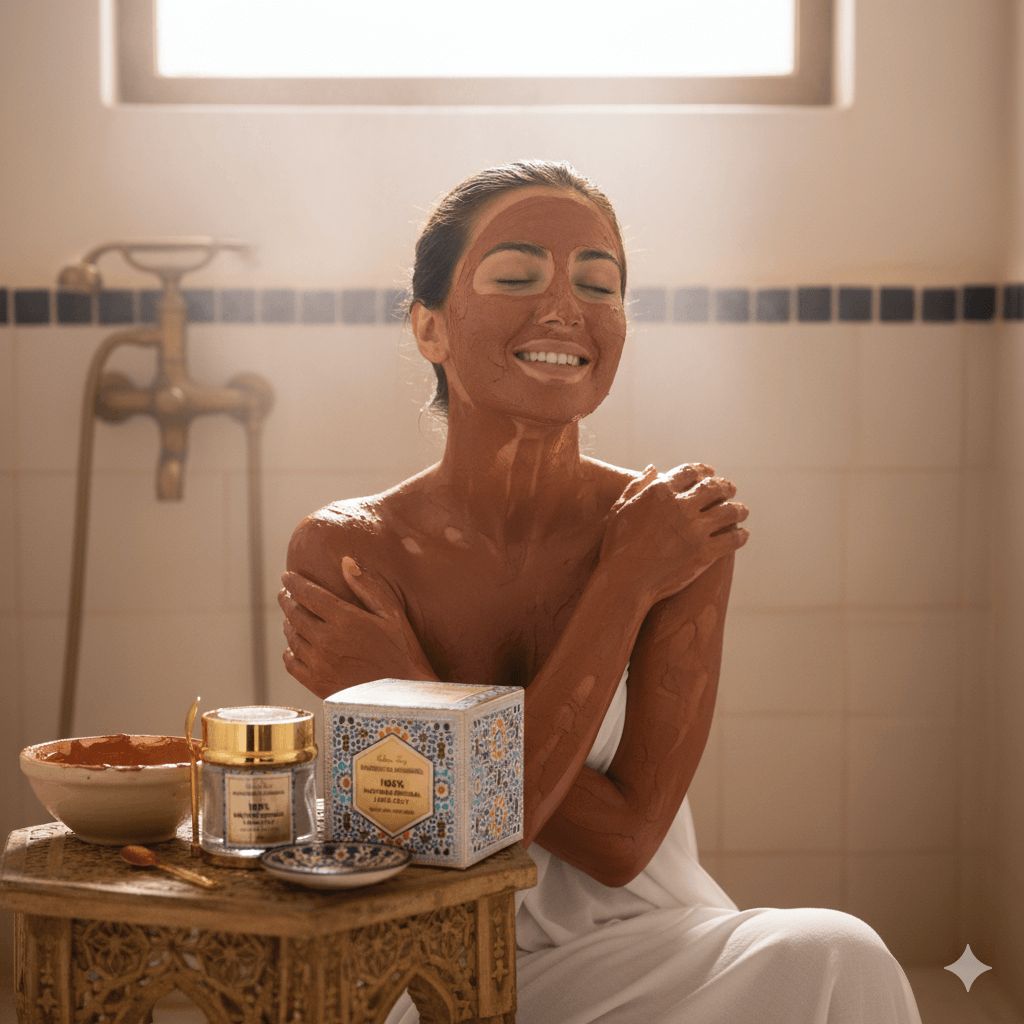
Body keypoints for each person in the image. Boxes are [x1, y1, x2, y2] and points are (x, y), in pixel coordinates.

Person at [278, 160, 922, 1023]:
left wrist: (427, 695)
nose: (563, 308)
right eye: (515, 276)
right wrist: (625, 582)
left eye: (599, 284)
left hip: (639, 951)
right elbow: (431, 833)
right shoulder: (351, 547)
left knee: (838, 955)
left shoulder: (675, 531)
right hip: (422, 950)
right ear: (429, 328)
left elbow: (624, 845)